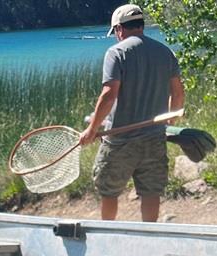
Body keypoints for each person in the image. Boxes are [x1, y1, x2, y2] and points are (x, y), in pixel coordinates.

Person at [79, 5, 185, 222]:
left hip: (119, 141)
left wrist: (91, 129)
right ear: (140, 25)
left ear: (119, 28)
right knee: (151, 192)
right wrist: (171, 118)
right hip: (155, 137)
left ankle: (107, 234)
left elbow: (109, 95)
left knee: (108, 191)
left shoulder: (116, 52)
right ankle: (149, 235)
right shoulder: (165, 52)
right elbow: (178, 92)